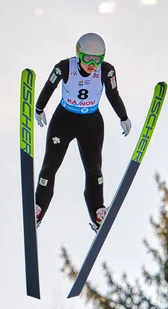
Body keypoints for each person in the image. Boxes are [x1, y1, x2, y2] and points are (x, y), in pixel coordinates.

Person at [33, 32, 132, 231]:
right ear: (78, 54)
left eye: (97, 60)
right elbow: (49, 86)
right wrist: (39, 107)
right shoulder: (64, 67)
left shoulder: (107, 71)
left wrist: (123, 116)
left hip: (91, 122)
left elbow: (113, 94)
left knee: (94, 168)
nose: (92, 64)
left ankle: (97, 212)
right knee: (50, 165)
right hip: (64, 119)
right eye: (87, 58)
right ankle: (38, 209)